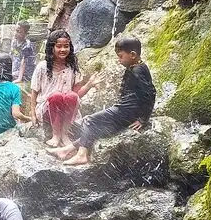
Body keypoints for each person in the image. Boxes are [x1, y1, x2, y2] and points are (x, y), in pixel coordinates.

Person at [49, 36, 155, 165]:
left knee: (89, 120)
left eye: (121, 56)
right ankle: (66, 150)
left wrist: (143, 118)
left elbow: (150, 93)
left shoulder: (138, 70)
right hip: (128, 110)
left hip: (126, 111)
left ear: (132, 55)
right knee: (97, 128)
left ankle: (82, 155)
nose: (119, 60)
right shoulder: (137, 67)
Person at [29, 30, 98, 148]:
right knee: (56, 96)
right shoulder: (42, 67)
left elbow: (76, 95)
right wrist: (32, 115)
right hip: (47, 108)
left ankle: (65, 133)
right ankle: (56, 135)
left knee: (71, 96)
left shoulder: (73, 68)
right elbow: (34, 92)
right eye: (59, 46)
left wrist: (89, 85)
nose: (63, 50)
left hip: (67, 112)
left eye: (66, 46)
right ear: (52, 47)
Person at [11, 21, 36, 92]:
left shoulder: (27, 45)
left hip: (26, 72)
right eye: (15, 30)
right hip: (16, 69)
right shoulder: (14, 42)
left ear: (26, 34)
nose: (16, 33)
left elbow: (24, 62)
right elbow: (12, 56)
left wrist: (19, 78)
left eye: (19, 31)